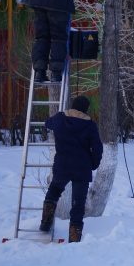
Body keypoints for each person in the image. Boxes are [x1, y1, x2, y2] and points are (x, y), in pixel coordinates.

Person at [39, 96, 102, 243]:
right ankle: (74, 239)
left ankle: (45, 223)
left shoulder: (60, 118)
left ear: (72, 105)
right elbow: (98, 149)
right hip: (82, 168)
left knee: (54, 192)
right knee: (78, 204)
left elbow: (47, 123)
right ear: (86, 109)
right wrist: (93, 164)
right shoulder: (90, 125)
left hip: (63, 165)